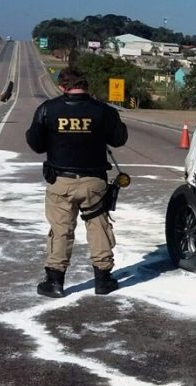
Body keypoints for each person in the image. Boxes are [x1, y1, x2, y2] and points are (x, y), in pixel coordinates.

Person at [26, 67, 127, 298]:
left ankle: (54, 282)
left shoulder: (48, 110)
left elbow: (35, 143)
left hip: (61, 180)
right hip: (94, 181)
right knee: (98, 227)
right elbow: (119, 138)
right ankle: (103, 279)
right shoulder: (103, 111)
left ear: (62, 87)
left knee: (61, 230)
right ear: (85, 85)